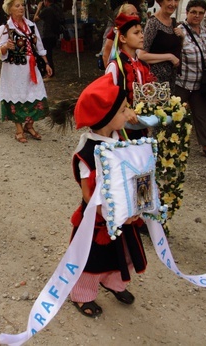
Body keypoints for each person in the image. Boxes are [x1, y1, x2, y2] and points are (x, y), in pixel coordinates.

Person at [68, 74, 146, 318]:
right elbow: (90, 196)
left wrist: (139, 203)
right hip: (100, 220)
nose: (129, 113)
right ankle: (83, 294)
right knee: (93, 259)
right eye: (124, 109)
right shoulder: (87, 153)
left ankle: (113, 281)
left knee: (120, 252)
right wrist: (118, 215)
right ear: (106, 117)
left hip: (125, 215)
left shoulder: (119, 138)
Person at [0, 0, 52, 143]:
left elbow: (39, 46)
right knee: (17, 96)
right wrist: (5, 47)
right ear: (10, 10)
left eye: (22, 5)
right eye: (17, 6)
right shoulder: (5, 28)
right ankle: (19, 129)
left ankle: (29, 125)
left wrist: (46, 63)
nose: (21, 8)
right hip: (14, 69)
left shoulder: (31, 26)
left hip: (31, 67)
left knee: (36, 95)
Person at [175, 0, 206, 160]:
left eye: (200, 13)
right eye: (193, 12)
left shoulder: (203, 30)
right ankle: (171, 146)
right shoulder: (179, 31)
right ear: (187, 12)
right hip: (182, 81)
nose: (197, 15)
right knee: (175, 115)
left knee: (202, 115)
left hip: (200, 82)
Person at [105, 13, 152, 140]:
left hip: (139, 127)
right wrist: (125, 110)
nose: (142, 36)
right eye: (136, 33)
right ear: (123, 38)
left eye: (142, 32)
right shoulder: (115, 67)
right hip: (121, 131)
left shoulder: (143, 65)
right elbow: (108, 98)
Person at [137, 0, 183, 91]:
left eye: (176, 0)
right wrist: (169, 57)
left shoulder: (173, 22)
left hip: (171, 80)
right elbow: (141, 55)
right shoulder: (153, 23)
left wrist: (182, 37)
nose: (173, 4)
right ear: (160, 2)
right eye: (169, 0)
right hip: (156, 81)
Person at [32, 0, 63, 78]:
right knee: (49, 54)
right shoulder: (56, 8)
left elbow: (35, 19)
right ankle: (50, 71)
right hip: (54, 33)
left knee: (47, 55)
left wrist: (38, 9)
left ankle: (49, 73)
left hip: (47, 34)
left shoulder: (47, 10)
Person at [102, 3, 139, 68]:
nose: (135, 16)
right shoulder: (115, 31)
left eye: (136, 13)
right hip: (119, 67)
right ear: (123, 15)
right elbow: (106, 55)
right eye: (132, 14)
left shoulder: (138, 29)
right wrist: (110, 72)